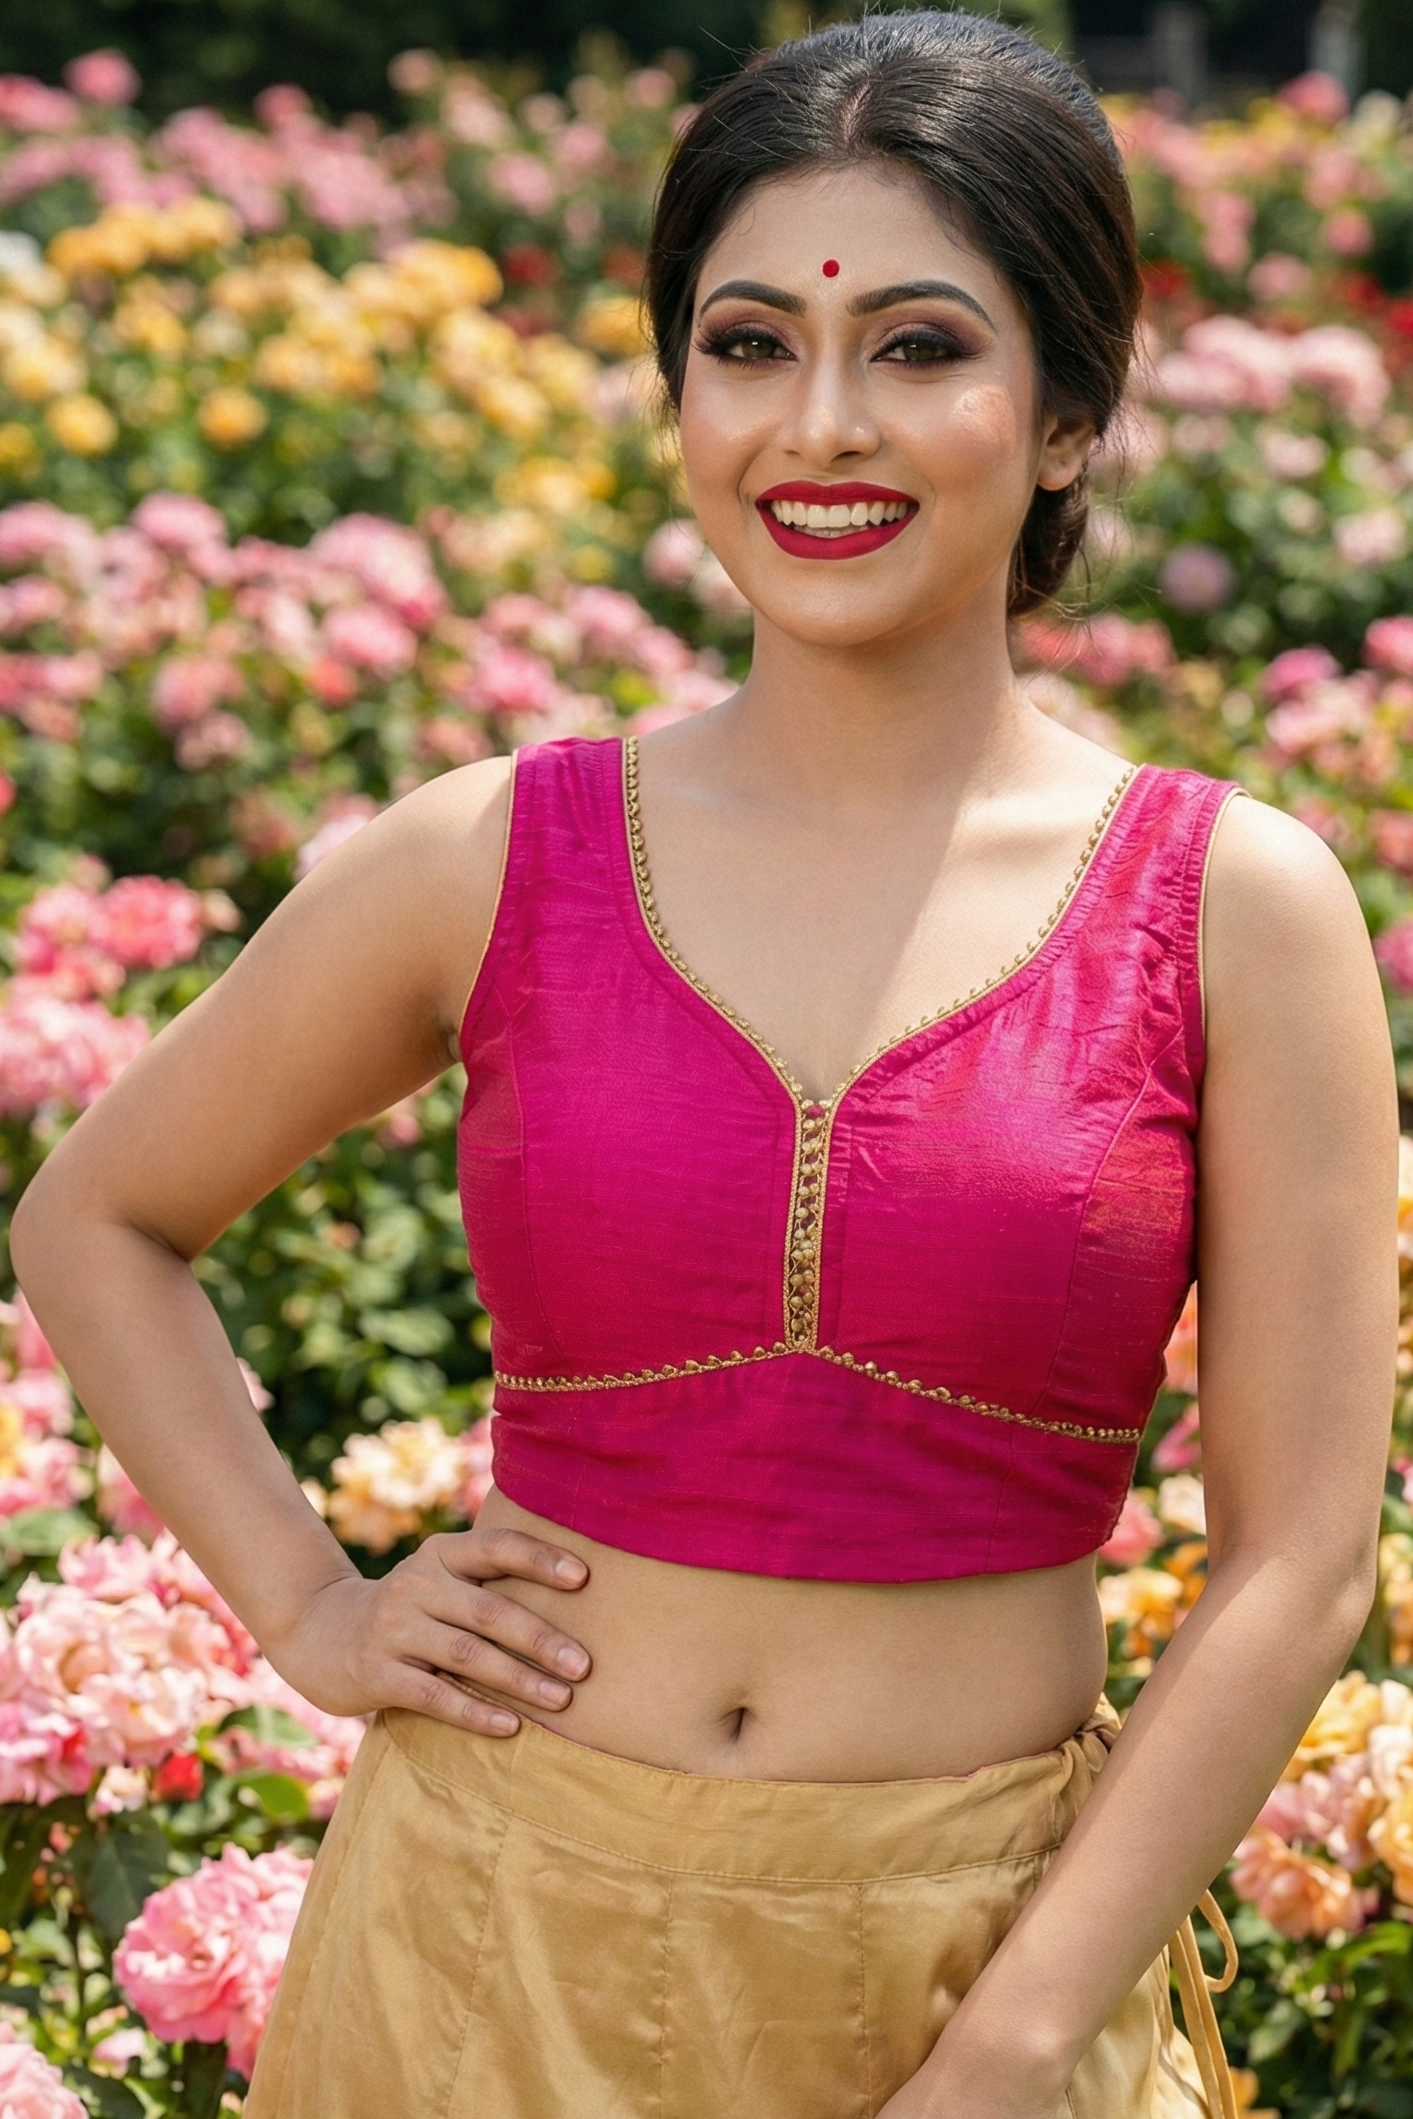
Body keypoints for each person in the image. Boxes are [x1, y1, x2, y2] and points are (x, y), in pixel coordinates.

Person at [11, 14, 1396, 2118]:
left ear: (1066, 417)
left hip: (974, 1973)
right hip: (481, 1944)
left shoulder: (1230, 906)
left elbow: (1298, 1556)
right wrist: (310, 1605)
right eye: (746, 344)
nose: (816, 423)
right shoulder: (491, 853)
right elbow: (96, 1213)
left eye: (920, 347)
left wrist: (1014, 2045)